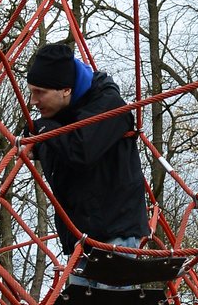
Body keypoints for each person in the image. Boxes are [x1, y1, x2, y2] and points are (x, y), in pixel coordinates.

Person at [21, 41, 149, 252]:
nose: (33, 101)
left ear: (66, 90)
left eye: (40, 92)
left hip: (113, 236)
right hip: (80, 239)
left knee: (109, 285)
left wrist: (43, 130)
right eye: (31, 92)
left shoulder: (109, 105)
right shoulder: (62, 113)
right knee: (82, 286)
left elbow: (80, 151)